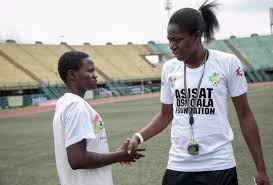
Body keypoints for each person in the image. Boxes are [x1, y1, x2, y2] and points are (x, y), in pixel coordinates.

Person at [127, 1, 270, 185]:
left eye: (177, 39)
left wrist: (260, 169)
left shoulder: (227, 63)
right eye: (170, 39)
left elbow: (244, 114)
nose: (171, 45)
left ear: (196, 37)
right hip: (179, 164)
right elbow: (165, 114)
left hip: (219, 164)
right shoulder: (170, 68)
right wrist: (138, 137)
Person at [53, 51, 144, 185]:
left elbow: (85, 151)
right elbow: (77, 159)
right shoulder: (76, 106)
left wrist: (114, 155)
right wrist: (120, 155)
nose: (95, 75)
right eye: (90, 71)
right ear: (72, 74)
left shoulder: (64, 102)